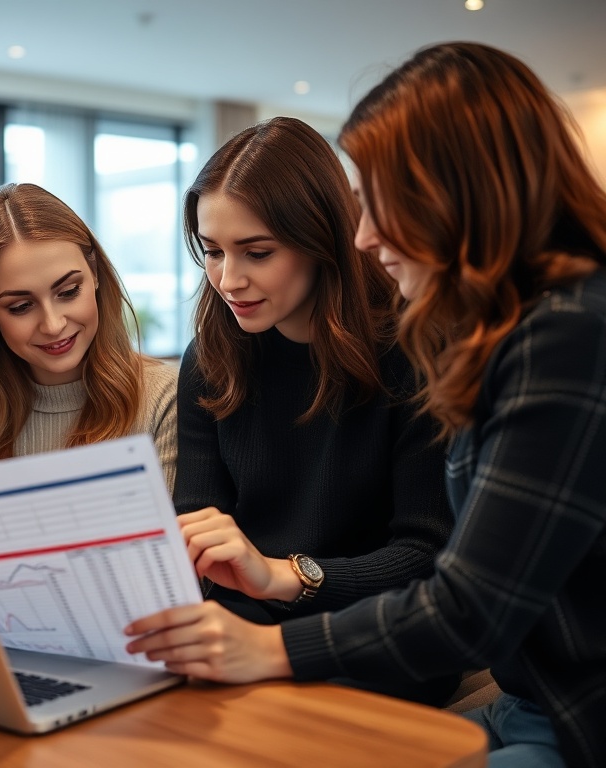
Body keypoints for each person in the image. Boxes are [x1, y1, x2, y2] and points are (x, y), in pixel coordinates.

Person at [126, 43, 606, 768]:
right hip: (523, 704)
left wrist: (274, 625)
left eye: (384, 205)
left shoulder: (563, 336)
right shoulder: (515, 332)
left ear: (462, 196)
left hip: (571, 719)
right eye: (212, 251)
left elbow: (463, 603)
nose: (365, 236)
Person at [132, 116, 458, 705]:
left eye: (257, 253)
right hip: (239, 635)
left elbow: (425, 558)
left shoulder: (412, 355)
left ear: (322, 240)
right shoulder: (212, 355)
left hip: (372, 646)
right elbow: (200, 528)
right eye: (212, 252)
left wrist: (284, 574)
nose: (229, 280)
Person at [0, 182, 177, 490]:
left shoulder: (163, 398)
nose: (53, 325)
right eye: (21, 306)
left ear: (94, 274)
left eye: (68, 292)